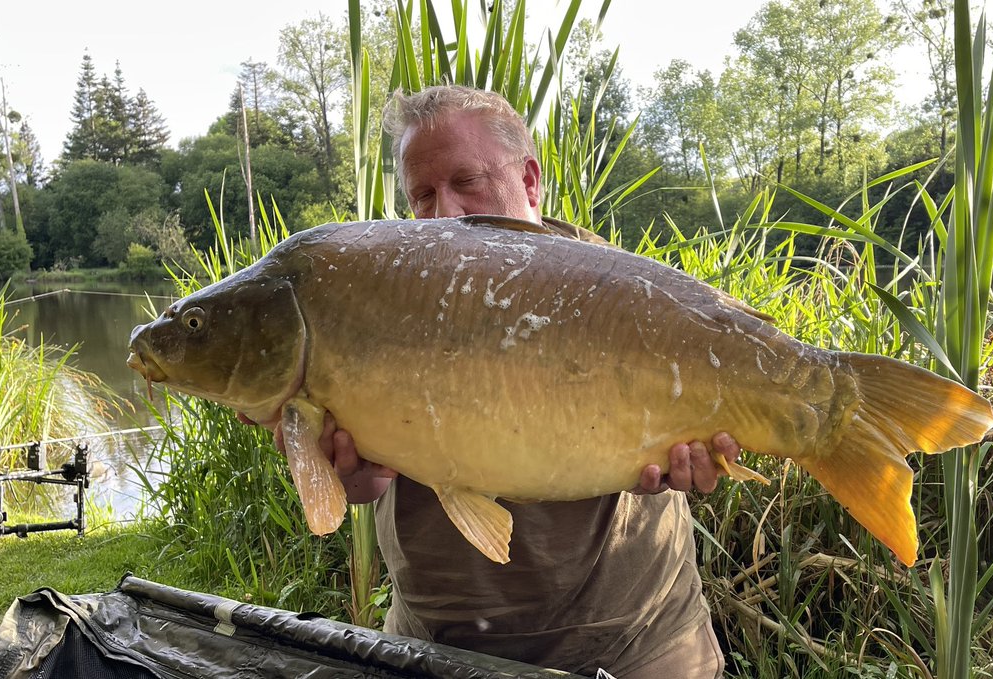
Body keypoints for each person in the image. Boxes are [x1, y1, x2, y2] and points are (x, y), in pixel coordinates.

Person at [261, 84, 742, 678]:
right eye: (422, 194)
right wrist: (351, 478)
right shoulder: (373, 291)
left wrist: (698, 460)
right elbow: (361, 490)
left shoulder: (620, 292)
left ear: (531, 181)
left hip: (635, 644)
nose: (444, 212)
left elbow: (695, 445)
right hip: (432, 645)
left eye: (467, 182)